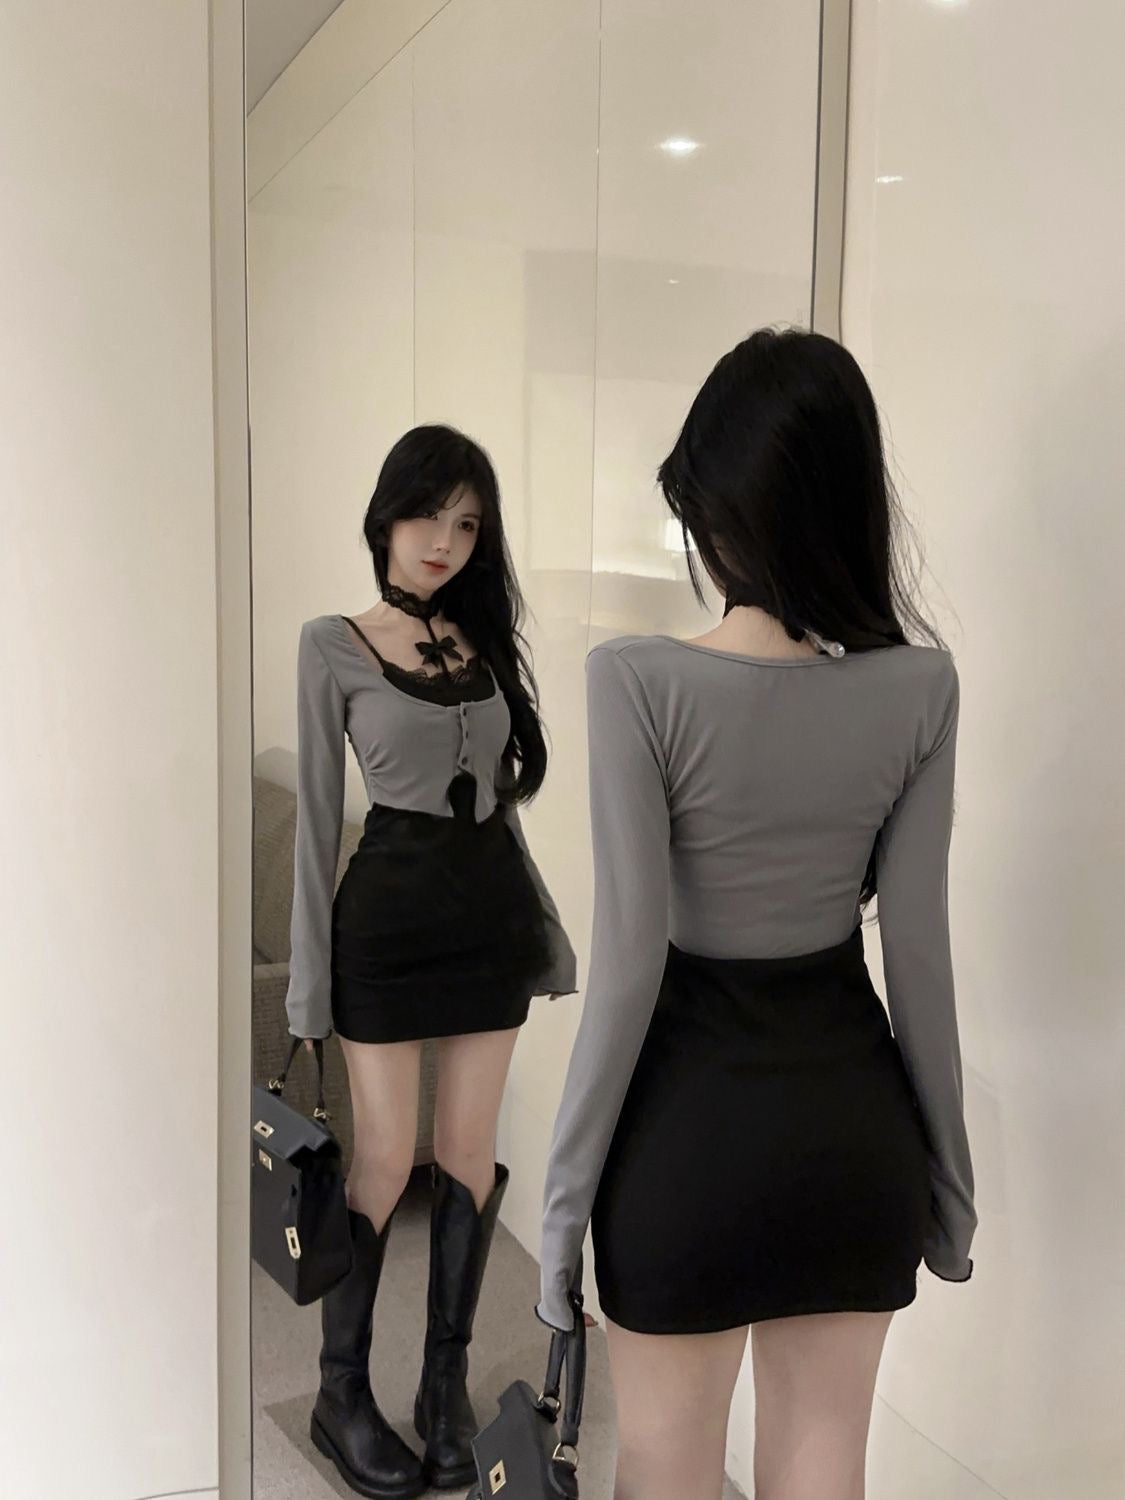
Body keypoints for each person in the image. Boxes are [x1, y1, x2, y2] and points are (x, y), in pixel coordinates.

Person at [536, 327, 978, 1500]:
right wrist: (951, 1184)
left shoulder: (635, 682)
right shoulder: (920, 690)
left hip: (685, 1145)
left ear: (713, 511)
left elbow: (627, 972)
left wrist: (561, 1211)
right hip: (854, 1143)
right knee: (824, 1462)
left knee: (666, 1465)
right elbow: (918, 959)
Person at [285, 424, 578, 1498]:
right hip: (386, 932)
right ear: (385, 516)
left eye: (466, 522)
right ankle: (341, 1394)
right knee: (381, 1161)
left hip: (488, 929)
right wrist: (308, 995)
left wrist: (543, 932)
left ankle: (441, 1387)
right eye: (426, 513)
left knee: (465, 1154)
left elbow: (502, 808)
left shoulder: (481, 639)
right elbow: (316, 826)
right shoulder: (333, 644)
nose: (444, 539)